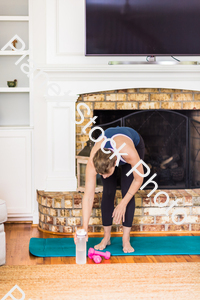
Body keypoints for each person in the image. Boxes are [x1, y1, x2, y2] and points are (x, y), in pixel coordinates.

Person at [74, 126, 145, 253]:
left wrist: (122, 203)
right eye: (101, 174)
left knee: (127, 191)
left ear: (115, 163)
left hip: (133, 142)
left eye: (106, 173)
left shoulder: (129, 153)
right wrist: (84, 227)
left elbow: (139, 180)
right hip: (110, 149)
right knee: (107, 191)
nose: (104, 176)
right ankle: (106, 237)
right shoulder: (93, 160)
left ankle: (126, 239)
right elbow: (88, 196)